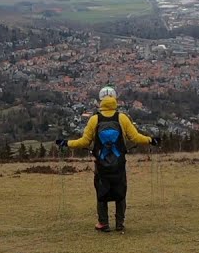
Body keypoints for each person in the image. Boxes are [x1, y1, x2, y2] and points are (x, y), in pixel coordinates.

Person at [55, 86, 157, 232]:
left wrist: (66, 143)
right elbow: (135, 137)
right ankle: (120, 223)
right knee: (120, 191)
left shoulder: (94, 119)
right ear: (115, 100)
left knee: (101, 192)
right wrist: (151, 140)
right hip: (119, 163)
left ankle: (103, 223)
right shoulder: (122, 118)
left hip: (101, 163)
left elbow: (84, 142)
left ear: (100, 101)